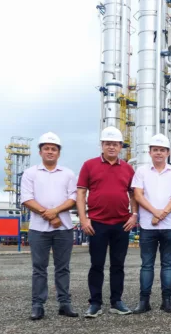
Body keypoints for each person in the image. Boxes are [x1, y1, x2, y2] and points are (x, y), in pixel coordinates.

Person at [77, 126, 138, 318]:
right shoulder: (89, 165)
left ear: (121, 146)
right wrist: (83, 218)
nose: (111, 147)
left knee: (118, 264)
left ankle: (116, 301)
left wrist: (134, 214)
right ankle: (95, 303)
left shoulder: (128, 168)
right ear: (101, 145)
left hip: (122, 223)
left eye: (115, 144)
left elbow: (133, 194)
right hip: (97, 223)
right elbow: (80, 193)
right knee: (96, 264)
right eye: (107, 144)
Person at [21, 132, 78, 320]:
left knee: (63, 268)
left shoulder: (68, 174)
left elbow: (73, 198)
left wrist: (55, 212)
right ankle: (38, 305)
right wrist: (49, 215)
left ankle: (64, 303)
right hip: (38, 229)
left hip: (63, 229)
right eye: (46, 148)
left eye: (54, 149)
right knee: (39, 268)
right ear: (40, 152)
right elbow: (27, 199)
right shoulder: (30, 174)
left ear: (59, 153)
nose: (50, 152)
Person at [131, 133, 171, 314]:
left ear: (168, 152)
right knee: (147, 264)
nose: (159, 153)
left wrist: (162, 214)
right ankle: (144, 301)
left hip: (169, 226)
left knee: (168, 264)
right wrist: (156, 213)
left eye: (162, 150)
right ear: (150, 152)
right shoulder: (141, 171)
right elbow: (137, 195)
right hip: (148, 226)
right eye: (155, 150)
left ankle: (167, 300)